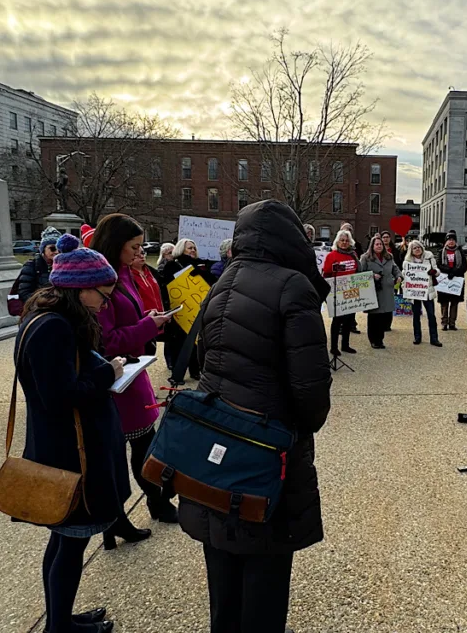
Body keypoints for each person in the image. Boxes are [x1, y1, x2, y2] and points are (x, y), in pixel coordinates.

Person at [179, 199, 332, 633]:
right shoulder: (293, 287)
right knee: (264, 587)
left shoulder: (221, 283)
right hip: (266, 455)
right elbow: (311, 398)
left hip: (216, 449)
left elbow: (208, 364)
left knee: (223, 584)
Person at [16, 233, 131, 633]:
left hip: (64, 446)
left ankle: (60, 618)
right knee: (71, 541)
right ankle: (59, 627)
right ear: (80, 289)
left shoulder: (49, 318)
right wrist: (107, 372)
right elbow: (61, 398)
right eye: (103, 291)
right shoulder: (54, 328)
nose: (106, 299)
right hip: (71, 452)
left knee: (64, 541)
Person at [91, 214, 178, 529]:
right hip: (117, 374)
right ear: (116, 245)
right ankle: (138, 509)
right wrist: (147, 325)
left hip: (133, 369)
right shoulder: (103, 280)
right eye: (134, 246)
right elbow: (107, 338)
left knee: (147, 444)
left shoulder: (125, 273)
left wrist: (147, 317)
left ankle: (156, 501)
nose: (140, 253)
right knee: (134, 448)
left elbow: (127, 318)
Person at [159, 238, 213, 379]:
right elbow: (167, 286)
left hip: (196, 309)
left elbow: (211, 283)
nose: (193, 250)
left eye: (194, 248)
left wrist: (201, 273)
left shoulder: (201, 265)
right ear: (181, 249)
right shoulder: (172, 265)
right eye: (189, 248)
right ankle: (177, 373)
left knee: (196, 341)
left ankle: (196, 371)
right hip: (179, 310)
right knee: (179, 342)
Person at [322, 230, 361, 356]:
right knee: (337, 321)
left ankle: (345, 345)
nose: (344, 243)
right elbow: (326, 274)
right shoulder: (331, 256)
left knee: (349, 320)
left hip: (351, 291)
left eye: (346, 240)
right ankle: (334, 347)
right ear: (337, 241)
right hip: (337, 292)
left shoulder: (353, 254)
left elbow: (358, 271)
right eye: (342, 240)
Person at [359, 235, 401, 349]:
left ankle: (380, 339)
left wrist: (399, 276)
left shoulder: (389, 257)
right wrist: (371, 275)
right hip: (373, 289)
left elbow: (395, 268)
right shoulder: (365, 258)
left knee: (383, 316)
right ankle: (373, 339)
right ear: (372, 246)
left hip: (387, 288)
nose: (379, 246)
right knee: (374, 317)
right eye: (376, 244)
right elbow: (360, 273)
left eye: (380, 244)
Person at [402, 240, 442, 347]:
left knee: (431, 315)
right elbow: (404, 276)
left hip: (428, 291)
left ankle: (434, 338)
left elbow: (437, 270)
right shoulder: (407, 262)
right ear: (411, 250)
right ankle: (417, 336)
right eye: (414, 248)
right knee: (416, 315)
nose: (417, 249)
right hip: (415, 292)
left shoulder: (429, 258)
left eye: (419, 247)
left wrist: (434, 272)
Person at [18, 227, 61, 305]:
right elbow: (24, 293)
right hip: (40, 308)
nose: (57, 252)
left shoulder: (64, 266)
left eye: (59, 248)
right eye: (52, 248)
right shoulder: (31, 266)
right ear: (43, 250)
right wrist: (45, 302)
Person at [436, 231, 467, 331]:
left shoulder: (460, 251)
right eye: (449, 240)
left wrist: (454, 271)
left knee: (454, 303)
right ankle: (444, 323)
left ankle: (452, 323)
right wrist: (448, 270)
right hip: (445, 280)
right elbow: (438, 264)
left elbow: (464, 266)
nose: (451, 242)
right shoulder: (441, 252)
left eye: (453, 240)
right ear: (446, 241)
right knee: (444, 303)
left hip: (456, 280)